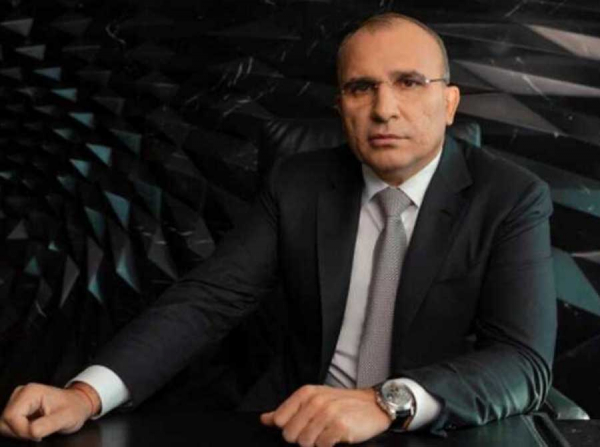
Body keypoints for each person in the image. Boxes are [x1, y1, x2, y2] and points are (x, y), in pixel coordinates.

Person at [0, 12, 556, 447]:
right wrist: (85, 395)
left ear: (449, 102)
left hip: (436, 429)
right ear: (340, 106)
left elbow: (523, 362)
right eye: (361, 87)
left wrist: (386, 402)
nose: (384, 108)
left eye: (409, 82)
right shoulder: (299, 182)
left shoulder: (511, 197)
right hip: (296, 425)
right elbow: (208, 300)